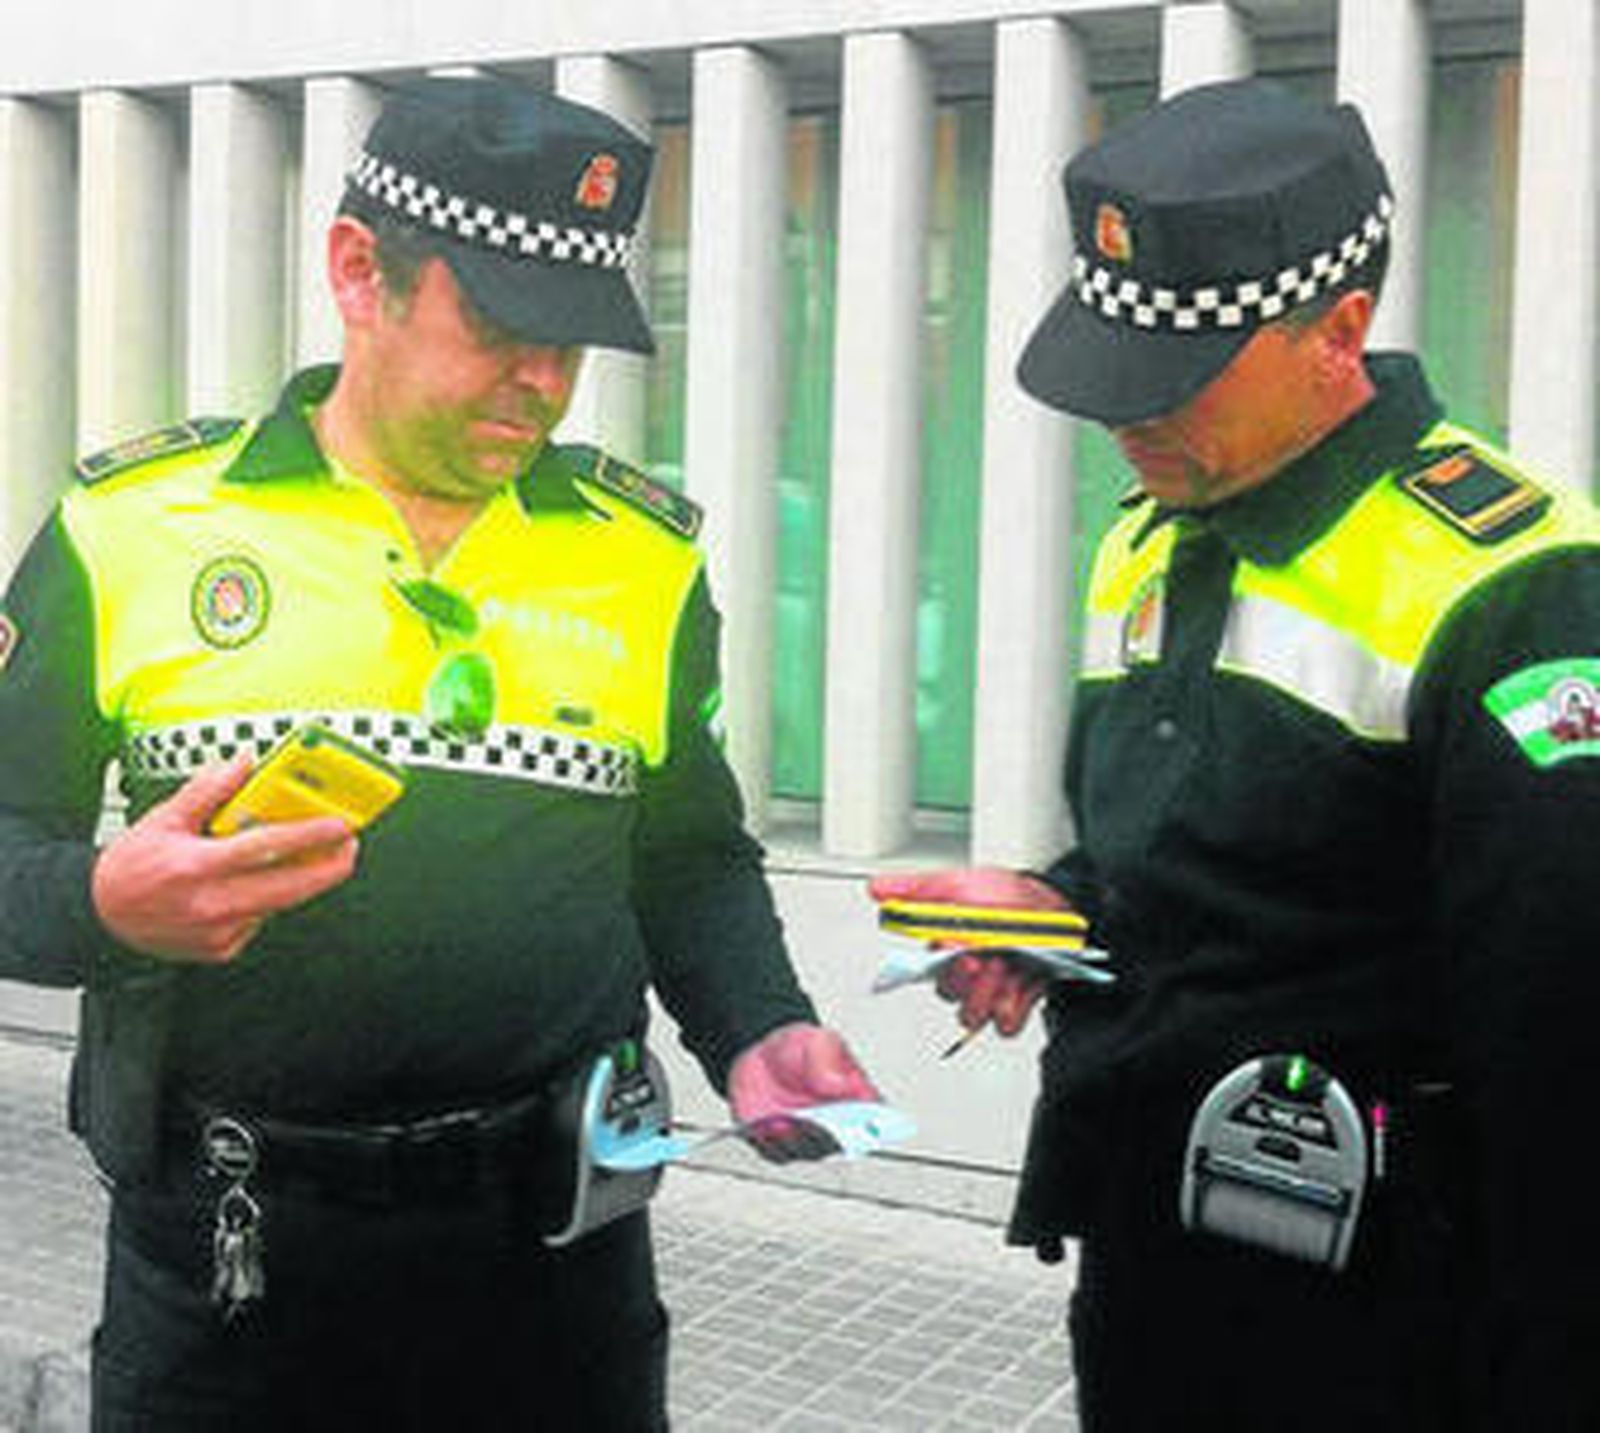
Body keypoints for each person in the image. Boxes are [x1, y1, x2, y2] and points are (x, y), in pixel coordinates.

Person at [0, 75, 879, 1431]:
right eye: (505, 325)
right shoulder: (130, 530)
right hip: (234, 1270)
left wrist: (758, 1023)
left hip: (559, 1273)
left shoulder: (639, 560)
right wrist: (102, 904)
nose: (543, 381)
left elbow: (688, 854)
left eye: (574, 340)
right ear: (362, 271)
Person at [871, 78, 1600, 1432]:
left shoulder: (1509, 584)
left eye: (1176, 378)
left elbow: (1563, 1056)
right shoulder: (1149, 538)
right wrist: (1062, 903)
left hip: (1392, 1318)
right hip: (1157, 1264)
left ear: (1339, 330)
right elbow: (1204, 863)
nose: (1123, 420)